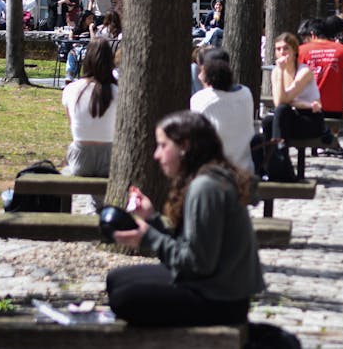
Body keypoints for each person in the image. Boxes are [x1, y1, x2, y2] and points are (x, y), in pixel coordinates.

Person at [107, 111, 264, 327]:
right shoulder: (204, 179)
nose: (156, 155)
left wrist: (148, 237)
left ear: (184, 146)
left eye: (163, 145)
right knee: (116, 279)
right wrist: (152, 219)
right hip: (214, 286)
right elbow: (188, 248)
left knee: (123, 298)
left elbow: (197, 263)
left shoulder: (205, 188)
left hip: (221, 300)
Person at [190, 49, 255, 174]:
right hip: (245, 171)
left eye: (201, 70)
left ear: (206, 71)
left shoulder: (200, 99)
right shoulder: (246, 93)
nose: (199, 76)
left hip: (212, 174)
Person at [61, 38, 117, 177]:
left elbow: (72, 123)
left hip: (80, 157)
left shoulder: (71, 89)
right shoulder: (117, 90)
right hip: (109, 156)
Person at [298, 16, 343, 146]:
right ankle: (330, 141)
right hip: (334, 111)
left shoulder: (301, 51)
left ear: (312, 34)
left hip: (308, 109)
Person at [264, 32, 325, 143]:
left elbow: (281, 101)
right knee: (268, 121)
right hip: (290, 115)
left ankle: (280, 154)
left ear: (295, 51)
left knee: (282, 110)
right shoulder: (276, 72)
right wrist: (302, 104)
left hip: (310, 118)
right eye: (278, 49)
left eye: (286, 48)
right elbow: (278, 102)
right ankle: (273, 157)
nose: (282, 52)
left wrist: (281, 71)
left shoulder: (304, 71)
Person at [65, 10, 96, 81]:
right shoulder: (77, 29)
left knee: (80, 54)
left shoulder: (93, 29)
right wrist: (73, 41)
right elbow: (71, 38)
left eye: (92, 18)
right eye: (89, 18)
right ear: (84, 19)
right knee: (71, 53)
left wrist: (91, 29)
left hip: (89, 50)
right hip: (77, 50)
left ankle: (72, 77)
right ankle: (69, 76)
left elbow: (94, 41)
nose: (91, 20)